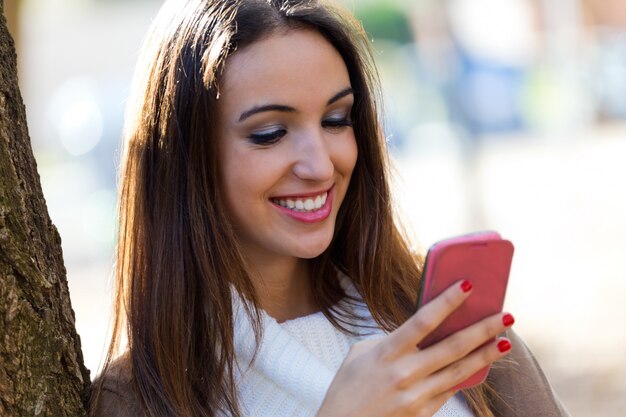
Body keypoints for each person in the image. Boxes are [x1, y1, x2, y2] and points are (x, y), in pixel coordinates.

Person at [90, 0, 570, 416]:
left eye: (336, 120)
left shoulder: (444, 324)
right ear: (184, 157)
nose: (321, 166)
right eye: (269, 133)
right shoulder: (135, 399)